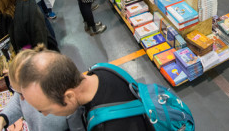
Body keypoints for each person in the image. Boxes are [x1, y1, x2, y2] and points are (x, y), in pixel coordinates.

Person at [17, 50, 153, 130]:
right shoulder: (101, 69)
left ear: (69, 96)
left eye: (46, 109)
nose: (45, 115)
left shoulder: (114, 126)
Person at [0, 45, 67, 131]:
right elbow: (18, 100)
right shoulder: (26, 92)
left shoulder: (61, 110)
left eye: (21, 93)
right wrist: (2, 119)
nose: (21, 98)